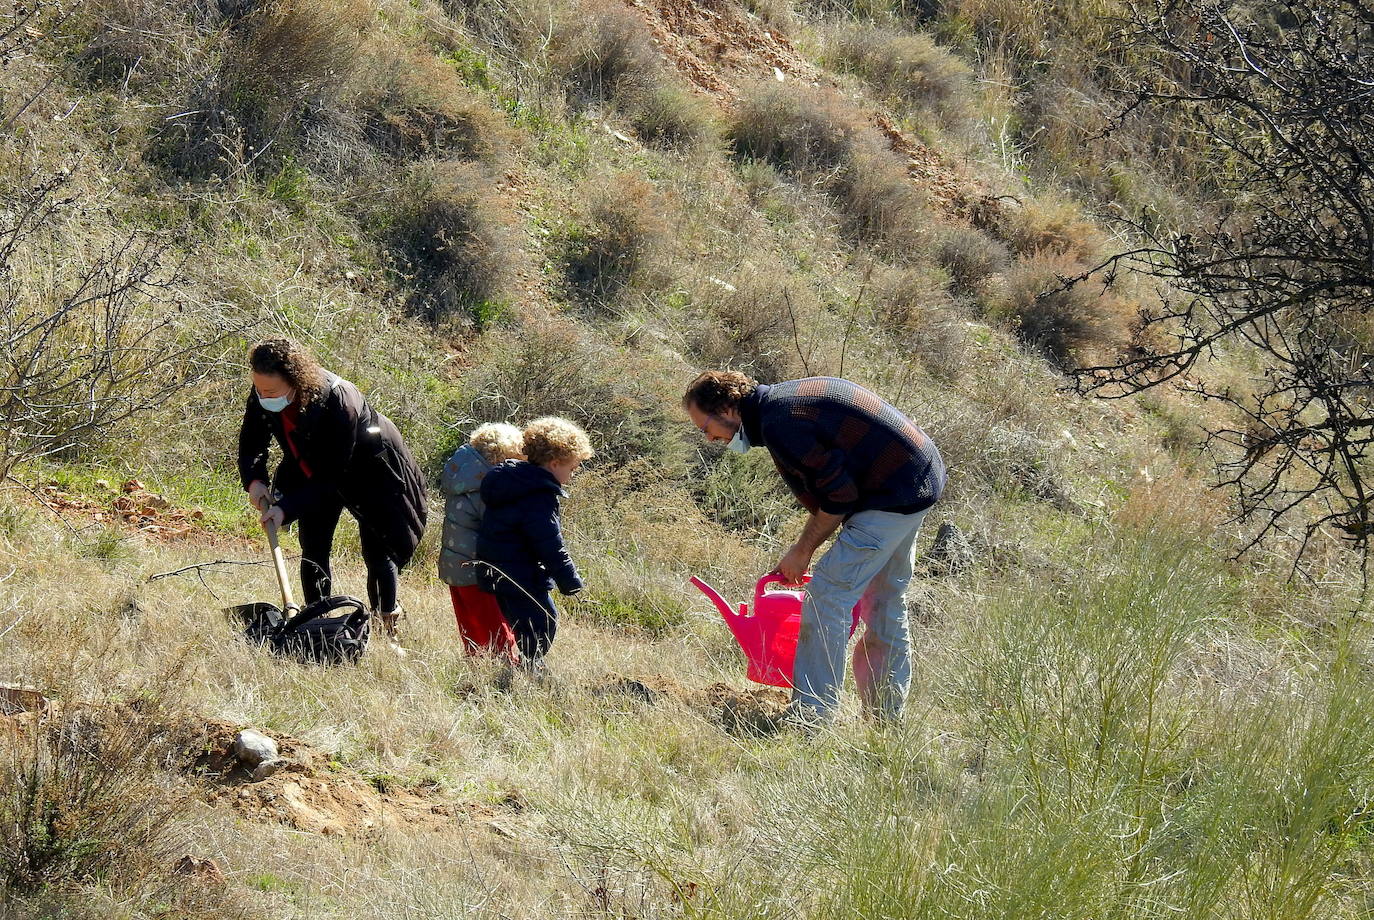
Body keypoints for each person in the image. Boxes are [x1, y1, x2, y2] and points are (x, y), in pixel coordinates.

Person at [683, 371, 945, 726]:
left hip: (894, 492)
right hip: (917, 478)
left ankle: (812, 717)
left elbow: (839, 497)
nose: (710, 438)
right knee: (883, 600)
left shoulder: (781, 422)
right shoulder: (780, 405)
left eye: (706, 428)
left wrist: (802, 550)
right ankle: (885, 720)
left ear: (727, 409)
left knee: (826, 598)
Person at [237, 337, 428, 646]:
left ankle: (386, 626)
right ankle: (316, 624)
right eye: (259, 389)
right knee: (314, 546)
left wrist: (286, 508)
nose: (263, 396)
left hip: (370, 472)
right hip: (312, 470)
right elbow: (252, 441)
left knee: (377, 552)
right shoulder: (264, 391)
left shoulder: (340, 400)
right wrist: (255, 480)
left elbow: (331, 476)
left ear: (295, 380)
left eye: (270, 392)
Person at [475, 417, 592, 670]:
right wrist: (570, 580)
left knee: (525, 623)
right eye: (572, 468)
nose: (572, 474)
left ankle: (527, 666)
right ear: (555, 463)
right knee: (544, 620)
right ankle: (530, 668)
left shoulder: (512, 481)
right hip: (519, 573)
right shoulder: (538, 495)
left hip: (498, 570)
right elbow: (549, 543)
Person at [439, 422, 525, 661]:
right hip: (478, 570)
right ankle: (505, 669)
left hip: (454, 566)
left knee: (471, 626)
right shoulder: (487, 487)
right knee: (497, 629)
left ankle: (477, 666)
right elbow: (501, 530)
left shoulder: (463, 478)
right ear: (503, 458)